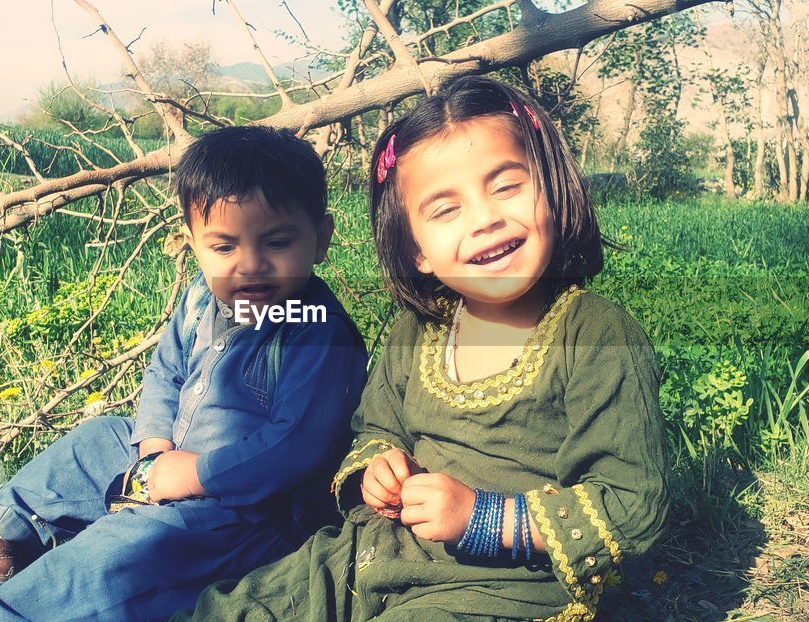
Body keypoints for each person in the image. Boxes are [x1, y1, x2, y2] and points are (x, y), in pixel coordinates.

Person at [0, 125, 368, 622]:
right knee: (97, 440)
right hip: (171, 465)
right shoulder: (200, 300)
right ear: (192, 243)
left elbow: (291, 449)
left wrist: (188, 476)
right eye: (223, 246)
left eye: (277, 242)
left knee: (116, 555)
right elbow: (165, 373)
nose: (249, 265)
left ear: (321, 239)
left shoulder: (317, 332)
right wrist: (153, 445)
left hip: (247, 518)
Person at [181, 76, 669, 622]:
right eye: (445, 210)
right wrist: (377, 469)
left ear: (554, 188)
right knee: (234, 609)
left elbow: (632, 505)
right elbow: (375, 430)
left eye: (506, 186)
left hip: (505, 586)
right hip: (376, 555)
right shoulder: (417, 332)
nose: (484, 219)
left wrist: (482, 517)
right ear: (418, 251)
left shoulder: (595, 335)